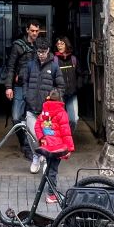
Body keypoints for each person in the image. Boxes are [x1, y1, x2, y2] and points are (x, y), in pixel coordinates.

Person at [20, 36, 65, 173]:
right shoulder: (30, 64)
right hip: (31, 106)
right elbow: (25, 81)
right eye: (39, 52)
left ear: (48, 50)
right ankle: (36, 156)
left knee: (46, 136)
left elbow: (61, 86)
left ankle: (45, 159)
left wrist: (52, 99)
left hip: (47, 110)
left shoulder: (54, 65)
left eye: (43, 52)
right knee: (32, 135)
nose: (41, 55)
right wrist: (26, 95)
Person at [5, 21, 40, 161]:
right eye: (32, 30)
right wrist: (8, 86)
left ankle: (30, 147)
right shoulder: (18, 46)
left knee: (33, 118)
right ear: (27, 30)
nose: (35, 33)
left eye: (37, 31)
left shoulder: (40, 46)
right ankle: (24, 144)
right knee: (16, 117)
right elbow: (11, 66)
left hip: (34, 87)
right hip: (19, 86)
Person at [34, 89, 75, 205]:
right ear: (60, 100)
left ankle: (44, 188)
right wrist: (69, 148)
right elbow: (66, 133)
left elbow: (37, 126)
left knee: (49, 168)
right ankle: (51, 195)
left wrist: (42, 138)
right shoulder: (62, 113)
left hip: (47, 147)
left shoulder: (44, 112)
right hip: (57, 148)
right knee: (53, 171)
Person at [54, 36, 80, 132]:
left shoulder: (73, 59)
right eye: (58, 44)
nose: (59, 46)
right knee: (58, 121)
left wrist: (77, 86)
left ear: (66, 45)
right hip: (59, 95)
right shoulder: (54, 60)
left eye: (62, 44)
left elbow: (80, 74)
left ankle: (68, 138)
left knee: (73, 120)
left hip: (71, 94)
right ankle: (62, 141)